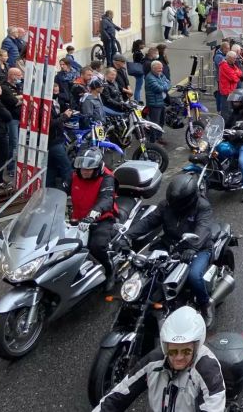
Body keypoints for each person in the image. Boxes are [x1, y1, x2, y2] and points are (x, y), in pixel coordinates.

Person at [93, 306, 226, 412]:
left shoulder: (208, 369)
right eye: (173, 351)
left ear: (196, 347)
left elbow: (213, 406)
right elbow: (119, 395)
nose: (179, 357)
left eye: (186, 351)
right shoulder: (154, 360)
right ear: (165, 348)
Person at [124, 175, 217, 326]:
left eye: (177, 202)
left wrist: (192, 248)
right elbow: (148, 222)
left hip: (198, 248)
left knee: (194, 276)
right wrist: (127, 235)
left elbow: (203, 229)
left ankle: (205, 304)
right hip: (169, 244)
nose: (173, 205)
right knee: (145, 268)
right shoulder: (166, 205)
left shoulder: (202, 206)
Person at [69, 147, 118, 290]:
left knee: (96, 246)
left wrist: (91, 216)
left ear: (97, 167)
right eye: (82, 168)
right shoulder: (75, 175)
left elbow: (106, 200)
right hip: (77, 218)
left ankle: (110, 271)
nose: (84, 171)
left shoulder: (107, 178)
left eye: (89, 169)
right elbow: (60, 188)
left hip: (101, 218)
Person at [144, 61, 170, 142]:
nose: (161, 70)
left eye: (161, 68)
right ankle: (153, 140)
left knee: (161, 121)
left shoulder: (160, 74)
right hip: (154, 104)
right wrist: (165, 85)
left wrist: (164, 85)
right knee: (154, 123)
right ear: (153, 68)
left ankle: (159, 137)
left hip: (161, 102)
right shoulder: (150, 77)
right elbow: (159, 89)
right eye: (159, 68)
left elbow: (169, 83)